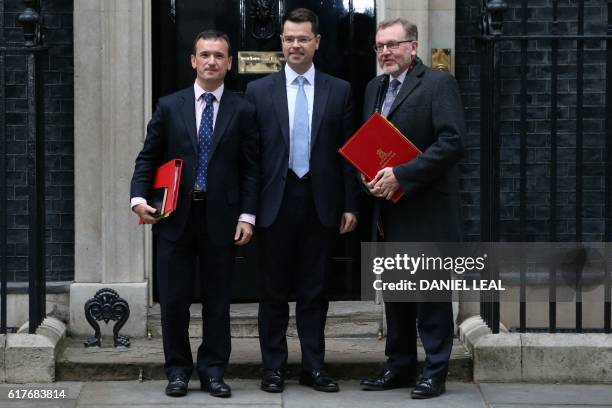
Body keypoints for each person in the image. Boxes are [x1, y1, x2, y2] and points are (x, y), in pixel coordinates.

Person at [130, 30, 259, 398]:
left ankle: (214, 370)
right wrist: (138, 199)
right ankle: (177, 370)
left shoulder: (243, 108)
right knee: (173, 301)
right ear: (193, 60)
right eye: (205, 54)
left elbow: (252, 168)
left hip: (222, 218)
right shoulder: (170, 106)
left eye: (219, 55)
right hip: (174, 218)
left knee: (218, 302)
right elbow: (148, 158)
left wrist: (247, 216)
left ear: (229, 63)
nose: (212, 61)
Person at [245, 8, 360, 394]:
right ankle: (273, 368)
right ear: (281, 42)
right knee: (272, 293)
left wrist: (350, 204)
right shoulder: (258, 92)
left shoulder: (339, 90)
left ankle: (314, 367)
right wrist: (248, 209)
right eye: (289, 38)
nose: (296, 45)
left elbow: (347, 153)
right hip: (273, 203)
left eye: (303, 38)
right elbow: (251, 158)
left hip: (320, 202)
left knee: (314, 293)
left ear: (317, 42)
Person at [359, 18, 465, 399]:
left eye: (393, 44)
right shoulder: (374, 87)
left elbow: (452, 142)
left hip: (427, 210)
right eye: (380, 46)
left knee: (430, 295)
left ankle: (435, 371)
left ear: (413, 46)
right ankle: (400, 365)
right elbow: (367, 146)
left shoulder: (438, 84)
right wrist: (368, 178)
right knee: (396, 293)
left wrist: (402, 175)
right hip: (387, 212)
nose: (385, 52)